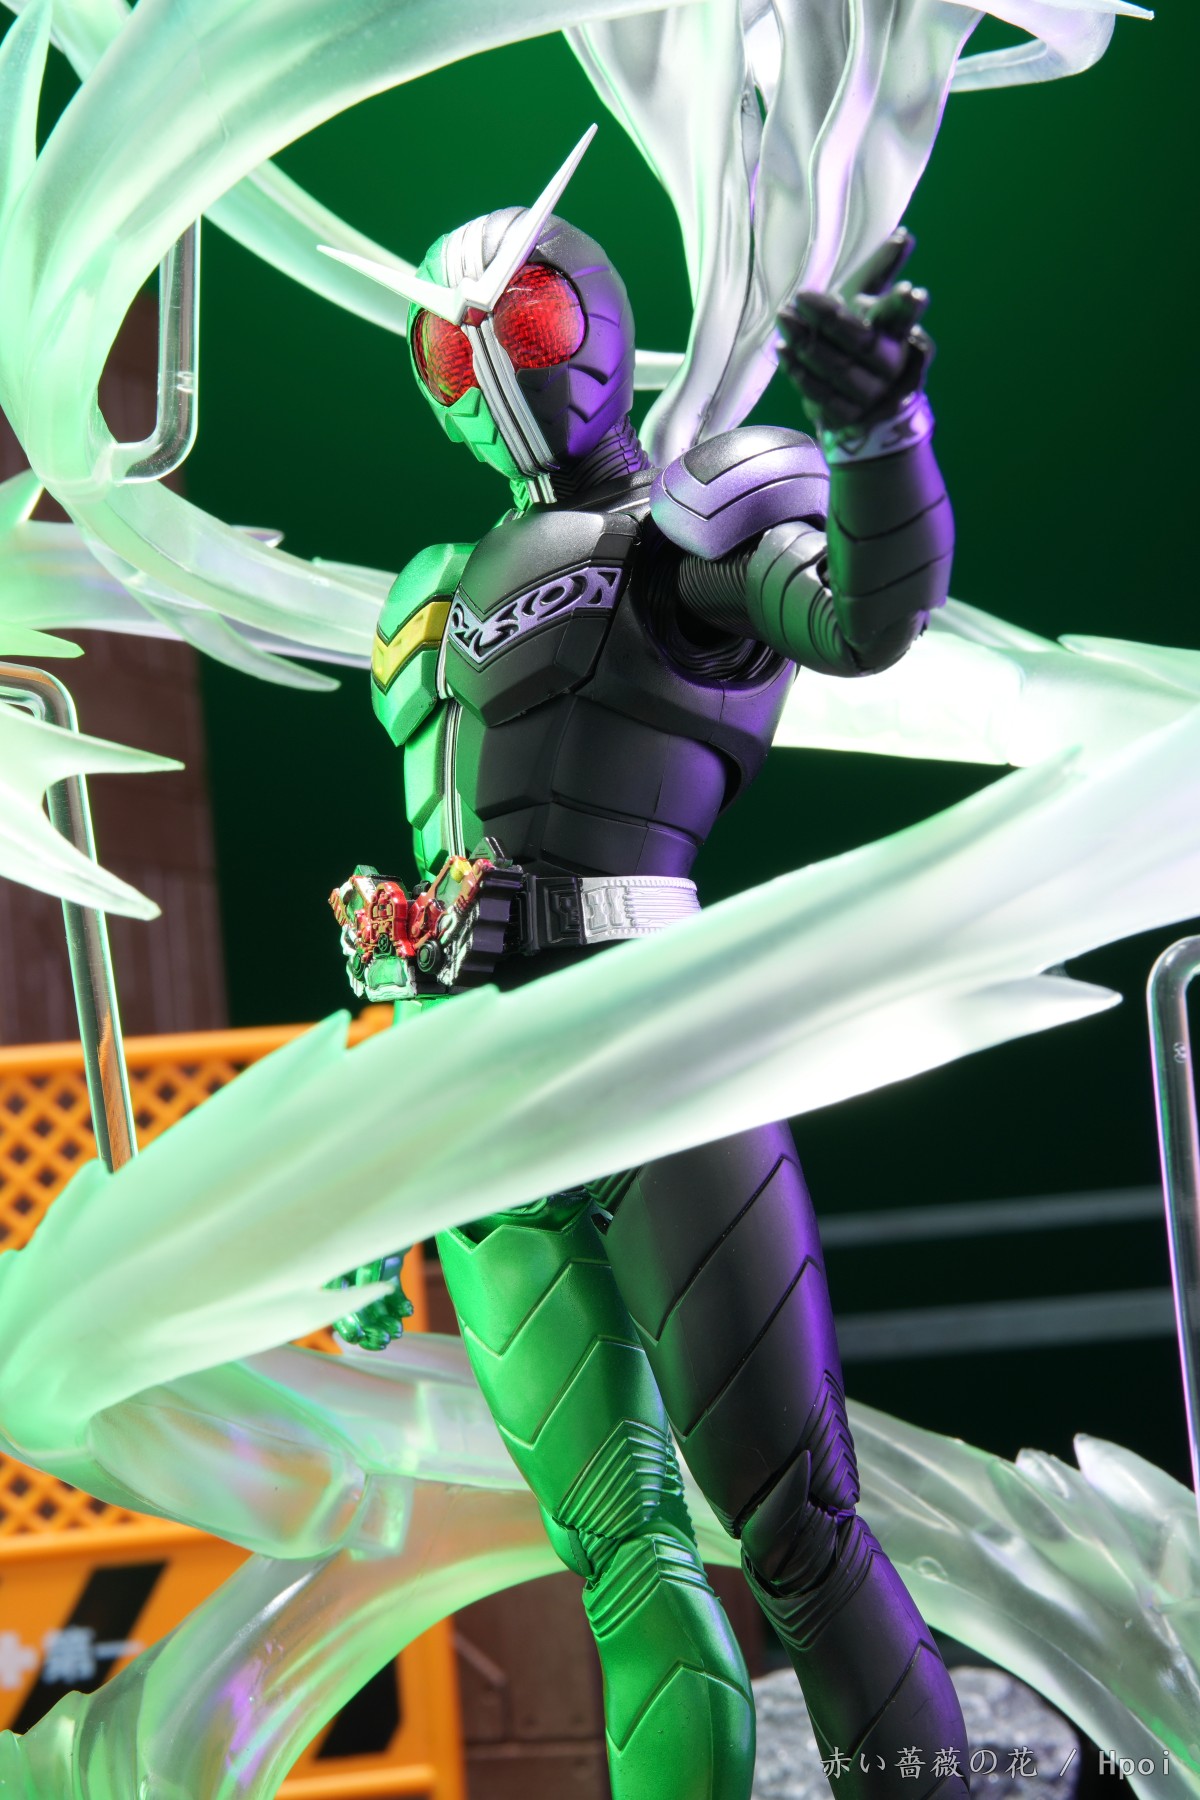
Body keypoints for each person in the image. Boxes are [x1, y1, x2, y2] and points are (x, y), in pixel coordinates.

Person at [330, 148, 966, 1800]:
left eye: (523, 318)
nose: (489, 360)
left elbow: (866, 617)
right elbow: (427, 891)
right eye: (450, 343)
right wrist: (369, 1165)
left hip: (648, 1046)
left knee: (795, 1529)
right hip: (471, 1099)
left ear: (596, 326)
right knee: (622, 1562)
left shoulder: (689, 523)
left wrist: (881, 440)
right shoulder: (420, 602)